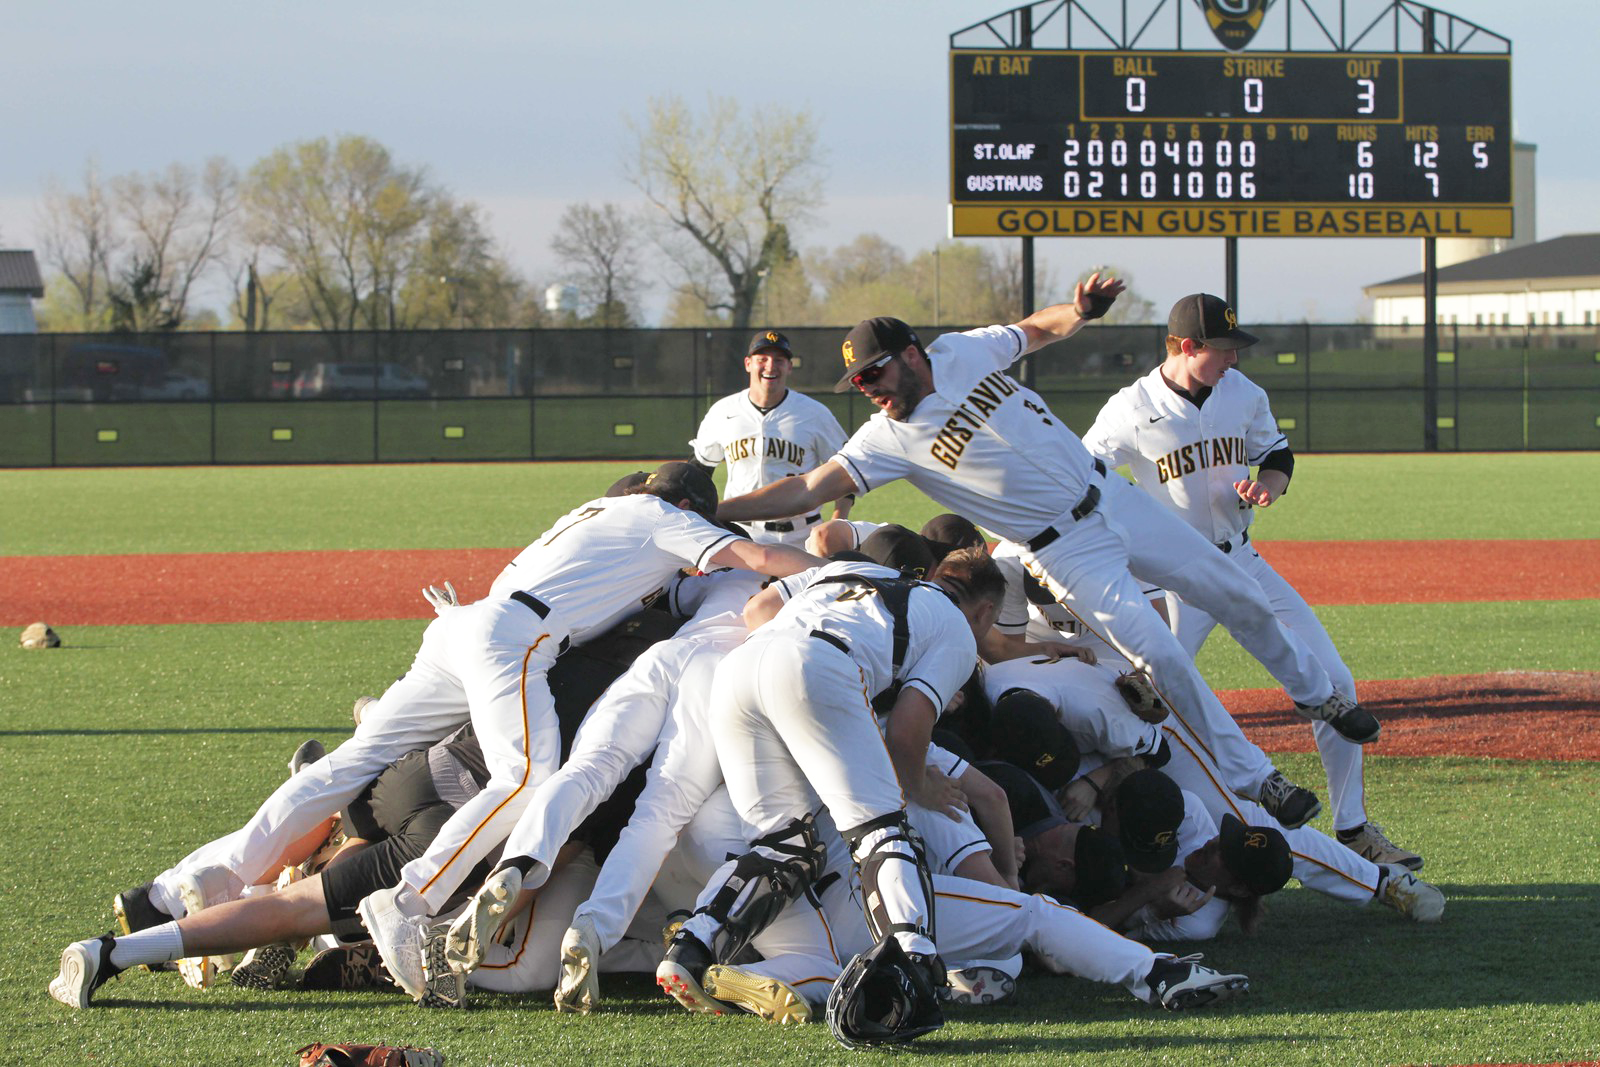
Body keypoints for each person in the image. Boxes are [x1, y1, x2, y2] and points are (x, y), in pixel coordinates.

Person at [714, 278, 1364, 831]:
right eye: (857, 380)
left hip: (1111, 494)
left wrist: (1078, 311)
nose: (867, 386)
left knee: (1236, 589)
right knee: (1159, 652)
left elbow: (1034, 330)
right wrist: (713, 510)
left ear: (911, 353)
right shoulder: (884, 439)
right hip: (1065, 548)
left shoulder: (960, 352)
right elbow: (805, 485)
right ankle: (1257, 777)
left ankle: (1316, 695)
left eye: (875, 370)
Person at [1081, 293, 1420, 870]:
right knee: (1141, 698)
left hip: (1243, 560)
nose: (1233, 360)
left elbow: (1278, 455)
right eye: (1224, 349)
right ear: (1188, 347)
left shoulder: (1244, 393)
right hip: (1180, 578)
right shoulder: (1131, 407)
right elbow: (1084, 474)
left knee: (1335, 681)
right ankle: (1101, 828)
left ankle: (1355, 827)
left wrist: (1270, 486)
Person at [654, 547, 1005, 1046]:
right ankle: (913, 970)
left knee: (784, 845)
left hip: (741, 670)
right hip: (818, 663)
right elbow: (906, 737)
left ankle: (694, 944)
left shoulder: (852, 569)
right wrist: (923, 787)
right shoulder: (954, 629)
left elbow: (758, 611)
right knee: (882, 831)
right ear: (986, 611)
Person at [691, 329, 853, 546]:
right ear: (748, 364)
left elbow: (845, 473)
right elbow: (700, 471)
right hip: (740, 531)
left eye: (779, 360)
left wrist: (837, 522)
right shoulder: (723, 411)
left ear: (789, 367)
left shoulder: (814, 413)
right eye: (763, 359)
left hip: (803, 535)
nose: (770, 366)